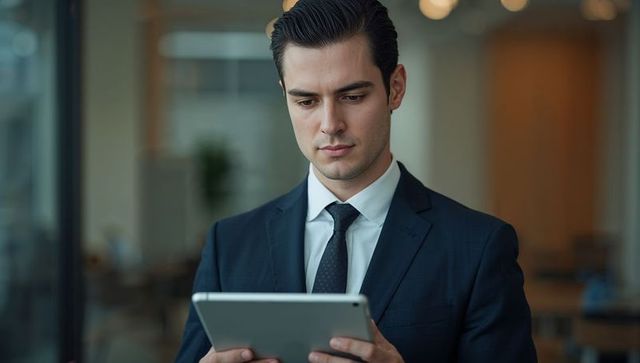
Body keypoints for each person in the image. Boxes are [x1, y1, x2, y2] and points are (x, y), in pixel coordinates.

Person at [175, 0, 537, 362]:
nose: (330, 123)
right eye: (306, 101)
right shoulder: (230, 246)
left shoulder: (477, 248)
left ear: (395, 88)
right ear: (285, 94)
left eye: (352, 96)